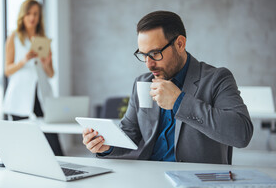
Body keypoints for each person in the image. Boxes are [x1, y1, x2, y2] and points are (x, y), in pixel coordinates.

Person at [82, 11, 253, 164]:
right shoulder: (142, 82)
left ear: (180, 44)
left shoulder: (217, 79)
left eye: (155, 53)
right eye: (143, 55)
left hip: (197, 184)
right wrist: (106, 145)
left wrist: (180, 102)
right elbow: (129, 134)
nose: (149, 64)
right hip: (149, 179)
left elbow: (241, 135)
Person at [3, 0, 63, 157]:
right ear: (23, 15)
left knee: (51, 135)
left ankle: (60, 165)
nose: (32, 17)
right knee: (21, 137)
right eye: (29, 13)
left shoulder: (43, 39)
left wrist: (46, 63)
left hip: (41, 92)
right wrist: (24, 60)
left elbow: (51, 74)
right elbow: (7, 70)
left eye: (36, 14)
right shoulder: (14, 37)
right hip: (20, 94)